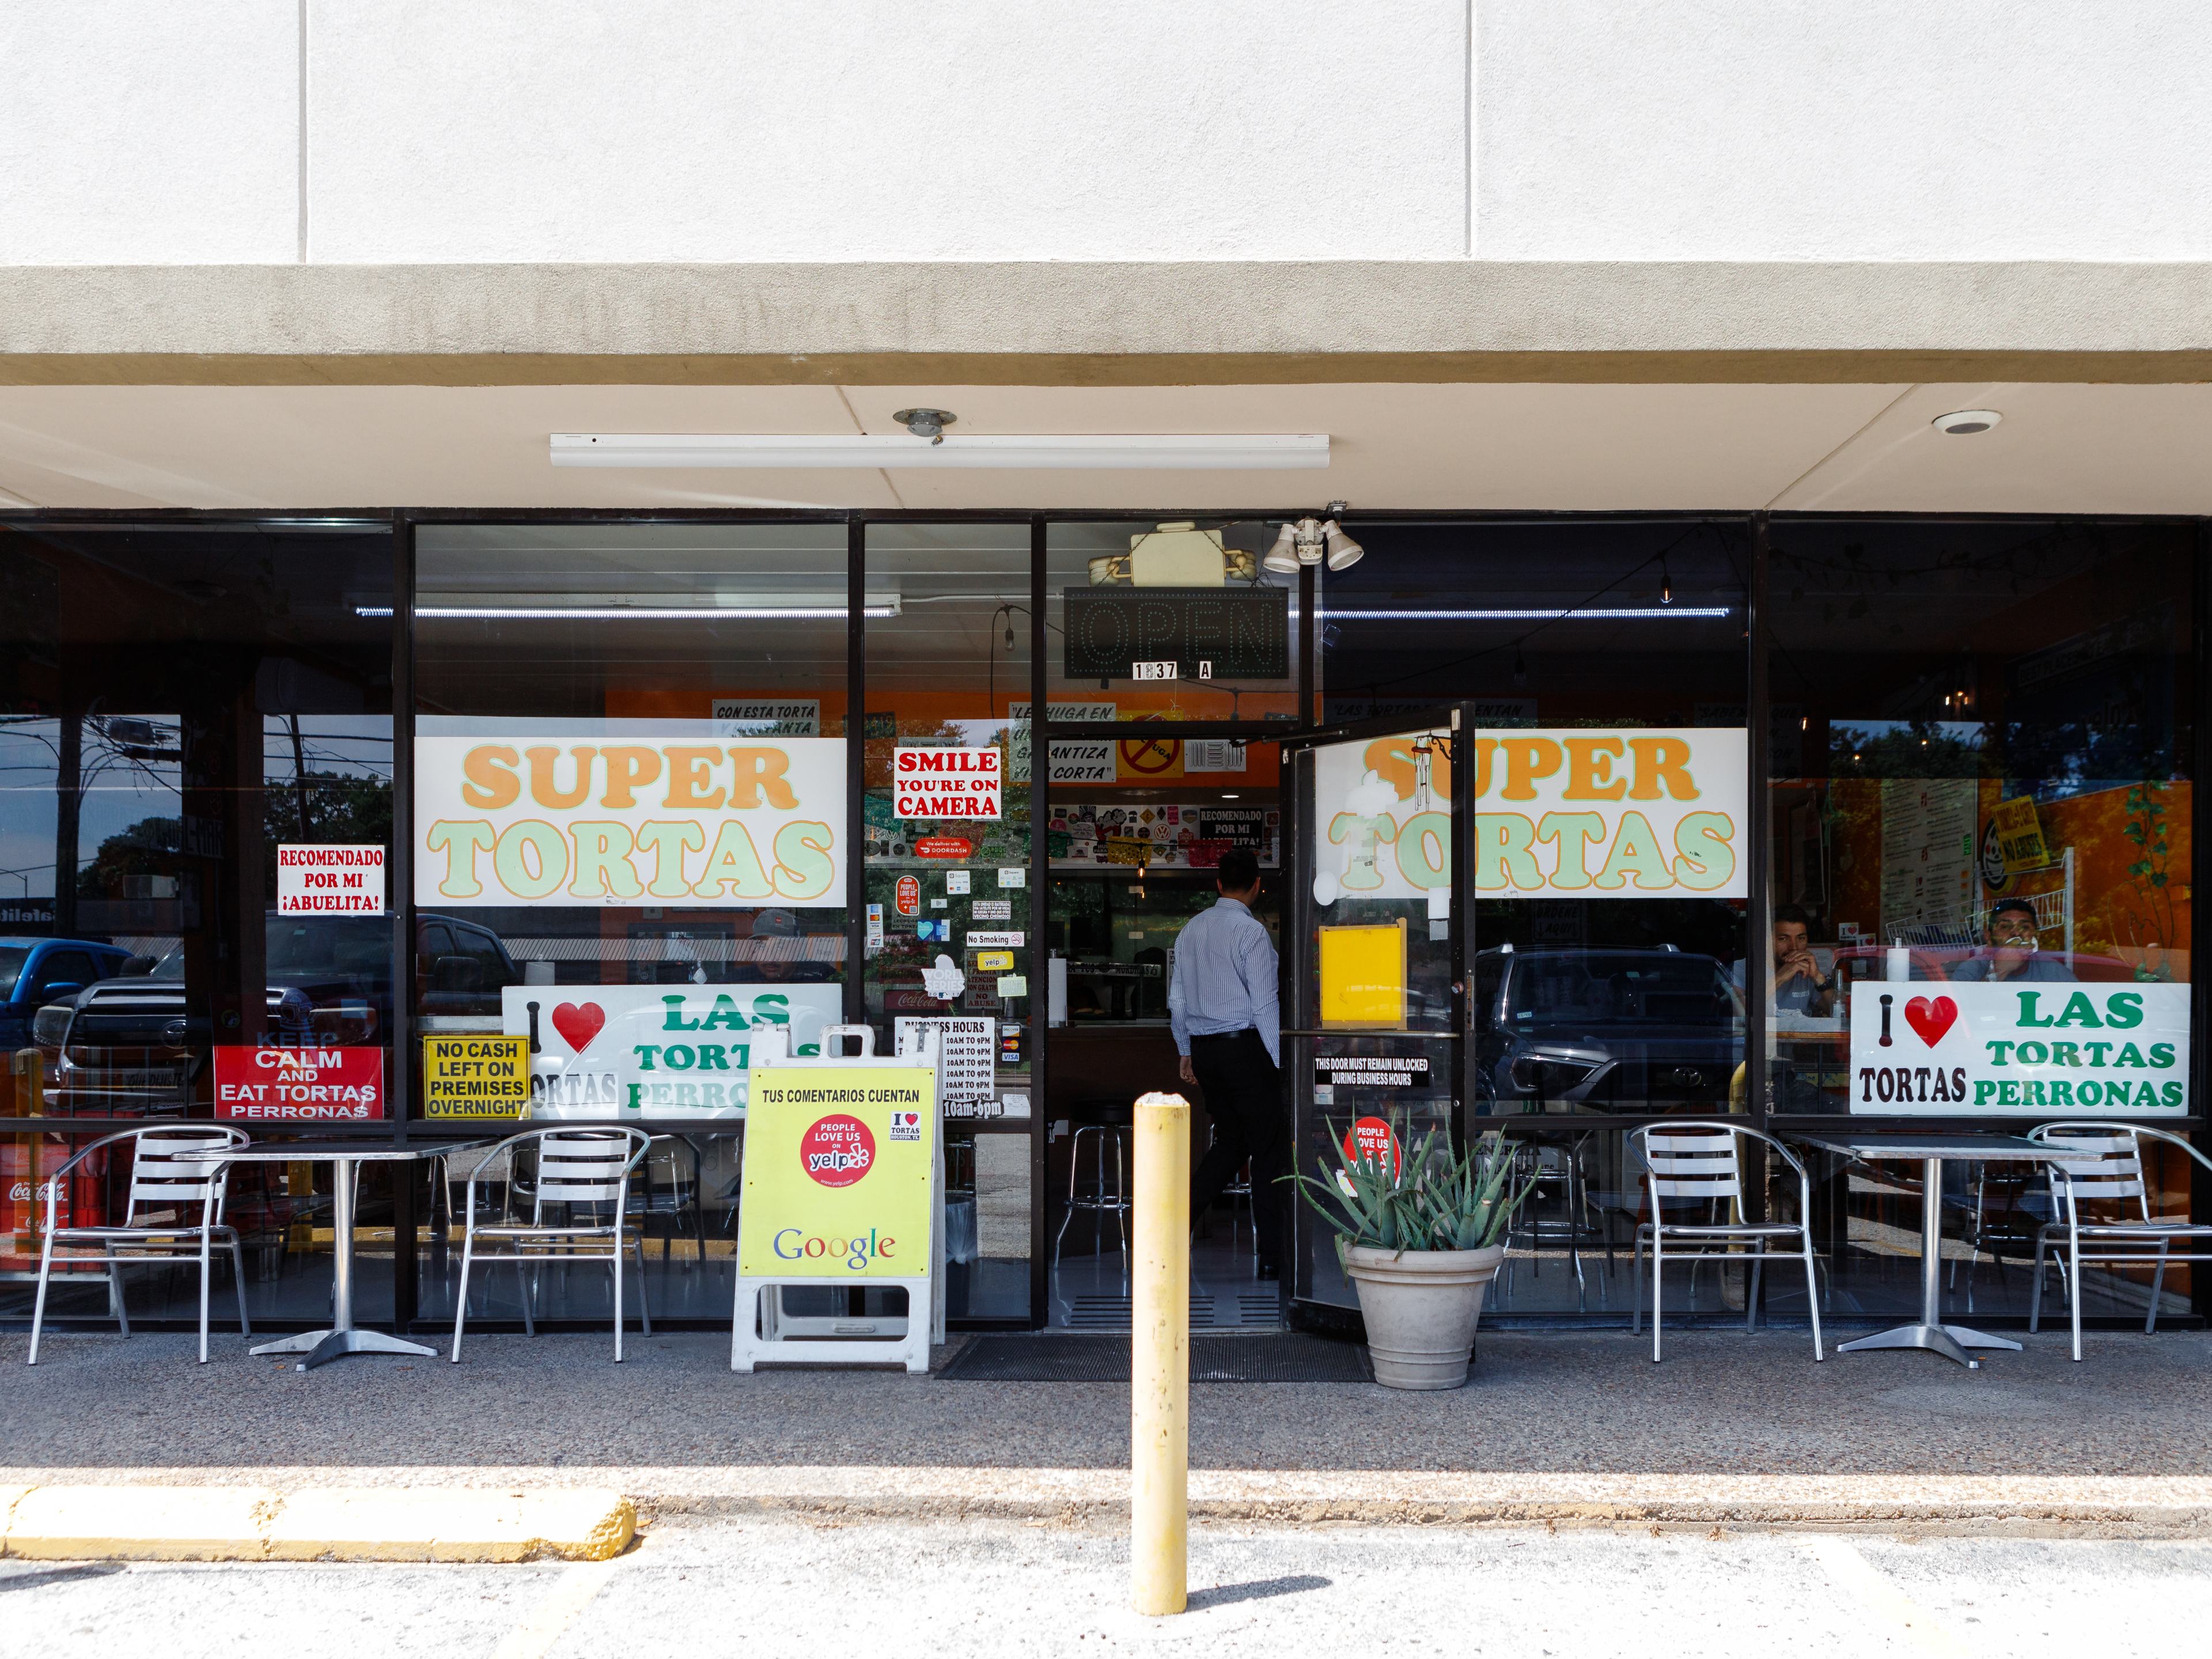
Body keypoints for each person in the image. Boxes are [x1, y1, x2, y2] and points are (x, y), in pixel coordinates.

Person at [1169, 847, 1289, 1281]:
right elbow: (1264, 1006)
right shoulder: (1251, 933)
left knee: (1231, 1144)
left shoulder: (1189, 931)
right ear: (1258, 886)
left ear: (1218, 885)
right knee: (1268, 1151)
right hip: (1246, 1049)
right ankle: (1274, 1258)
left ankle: (1170, 1228)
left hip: (1206, 1051)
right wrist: (1280, 1063)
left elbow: (1177, 1001)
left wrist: (1185, 1049)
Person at [1732, 903, 1838, 1018]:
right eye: (1783, 939)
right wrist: (1781, 977)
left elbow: (1837, 1012)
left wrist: (1818, 977)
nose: (1794, 947)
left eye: (1801, 938)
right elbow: (1742, 1012)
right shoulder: (1742, 969)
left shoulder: (1807, 970)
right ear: (1766, 940)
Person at [1948, 897, 2075, 982]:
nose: (2016, 933)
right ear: (1989, 938)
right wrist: (1998, 972)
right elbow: (1961, 1015)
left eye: (2025, 927)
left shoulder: (2054, 972)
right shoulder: (1971, 969)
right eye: (2005, 927)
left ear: (2036, 937)